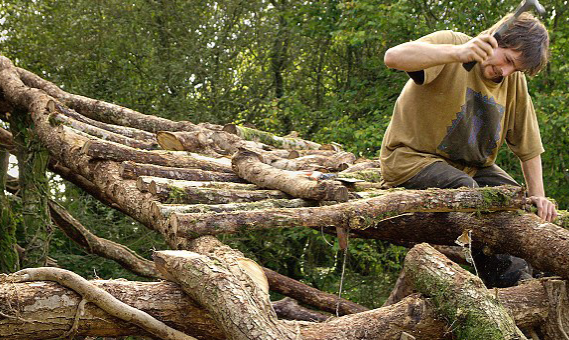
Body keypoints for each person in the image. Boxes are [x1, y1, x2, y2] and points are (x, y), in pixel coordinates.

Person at [380, 13, 557, 287]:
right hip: (410, 160)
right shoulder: (452, 44)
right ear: (496, 39)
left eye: (516, 69)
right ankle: (510, 287)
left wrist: (538, 197)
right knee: (472, 196)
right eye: (507, 60)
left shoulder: (513, 83)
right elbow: (393, 56)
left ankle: (542, 278)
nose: (506, 72)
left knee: (517, 202)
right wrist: (457, 53)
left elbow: (529, 147)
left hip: (472, 167)